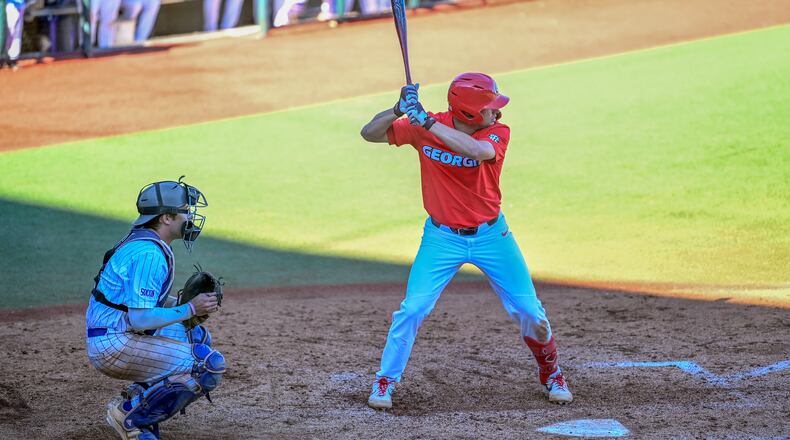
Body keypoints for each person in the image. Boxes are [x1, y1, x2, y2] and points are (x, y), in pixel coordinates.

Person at [360, 73, 573, 409]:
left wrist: (426, 122)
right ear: (471, 112)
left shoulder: (496, 132)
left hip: (492, 236)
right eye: (490, 108)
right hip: (441, 239)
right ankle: (385, 382)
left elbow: (476, 152)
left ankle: (552, 372)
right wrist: (398, 109)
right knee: (412, 308)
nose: (497, 113)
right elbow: (369, 134)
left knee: (531, 312)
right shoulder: (425, 126)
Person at [85, 178, 225, 440]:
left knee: (197, 337)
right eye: (185, 211)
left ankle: (138, 398)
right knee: (206, 366)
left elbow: (136, 304)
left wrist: (182, 306)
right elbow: (140, 319)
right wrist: (190, 308)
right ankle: (130, 418)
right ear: (167, 218)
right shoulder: (148, 254)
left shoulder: (147, 242)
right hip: (115, 342)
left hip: (117, 332)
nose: (190, 217)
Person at [1, 0, 25, 70]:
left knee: (17, 34)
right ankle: (4, 59)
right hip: (10, 5)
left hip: (20, 5)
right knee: (9, 33)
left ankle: (12, 60)